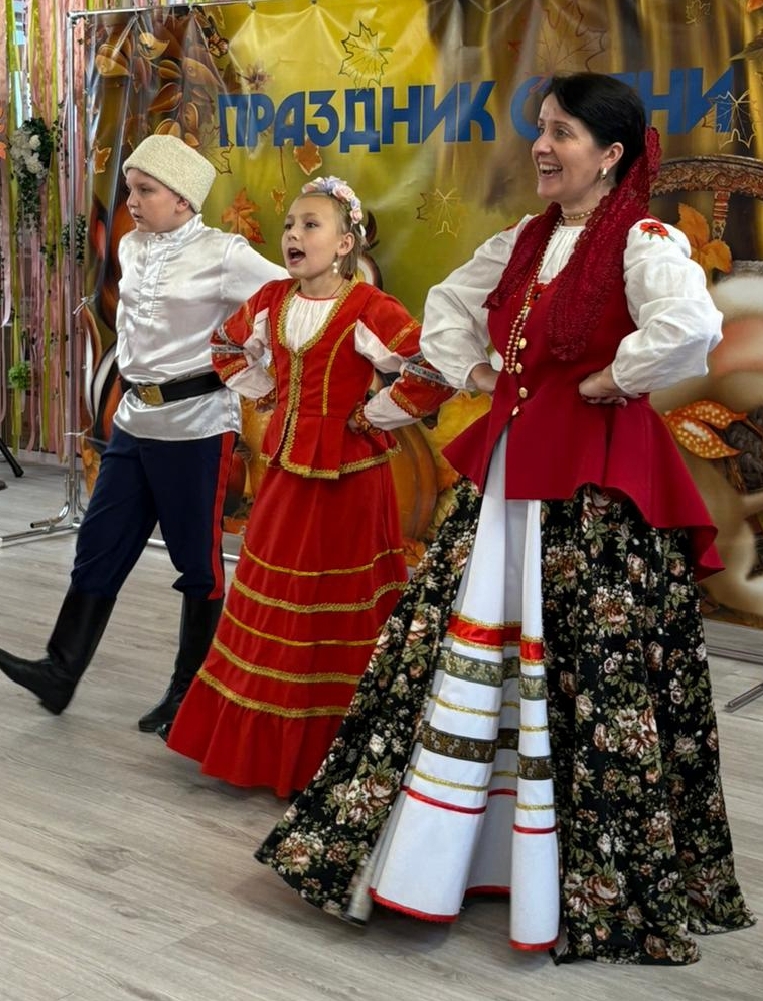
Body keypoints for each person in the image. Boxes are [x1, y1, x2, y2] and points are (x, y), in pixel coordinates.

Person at [255, 74, 756, 965]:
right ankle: (440, 860)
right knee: (457, 652)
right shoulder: (524, 238)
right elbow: (449, 308)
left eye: (561, 132)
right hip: (509, 473)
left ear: (610, 153)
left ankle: (567, 874)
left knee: (583, 671)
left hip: (589, 494)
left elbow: (686, 325)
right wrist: (478, 373)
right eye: (540, 128)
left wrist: (610, 377)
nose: (541, 146)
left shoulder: (640, 240)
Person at [159, 175, 455, 798]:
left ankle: (339, 753)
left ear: (345, 243)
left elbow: (431, 369)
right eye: (290, 224)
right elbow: (225, 345)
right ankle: (264, 753)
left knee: (338, 605)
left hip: (351, 480)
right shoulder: (272, 299)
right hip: (287, 473)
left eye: (311, 225)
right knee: (271, 596)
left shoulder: (369, 308)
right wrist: (266, 390)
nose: (293, 234)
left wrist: (375, 414)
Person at [0, 133, 286, 731]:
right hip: (133, 422)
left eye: (145, 190)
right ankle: (59, 671)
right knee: (99, 543)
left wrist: (253, 356)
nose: (131, 201)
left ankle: (189, 694)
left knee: (198, 565)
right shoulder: (131, 247)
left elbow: (288, 298)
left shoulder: (225, 254)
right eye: (130, 189)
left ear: (183, 198)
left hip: (197, 426)